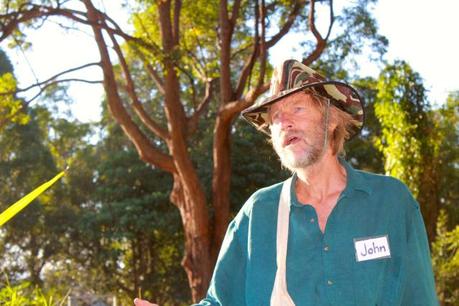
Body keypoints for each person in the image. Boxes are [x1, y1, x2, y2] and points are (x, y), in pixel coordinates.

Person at [134, 59, 438, 306]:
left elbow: (419, 297)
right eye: (275, 117)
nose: (284, 122)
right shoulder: (258, 213)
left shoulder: (391, 201)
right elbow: (220, 302)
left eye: (297, 108)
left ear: (332, 119)